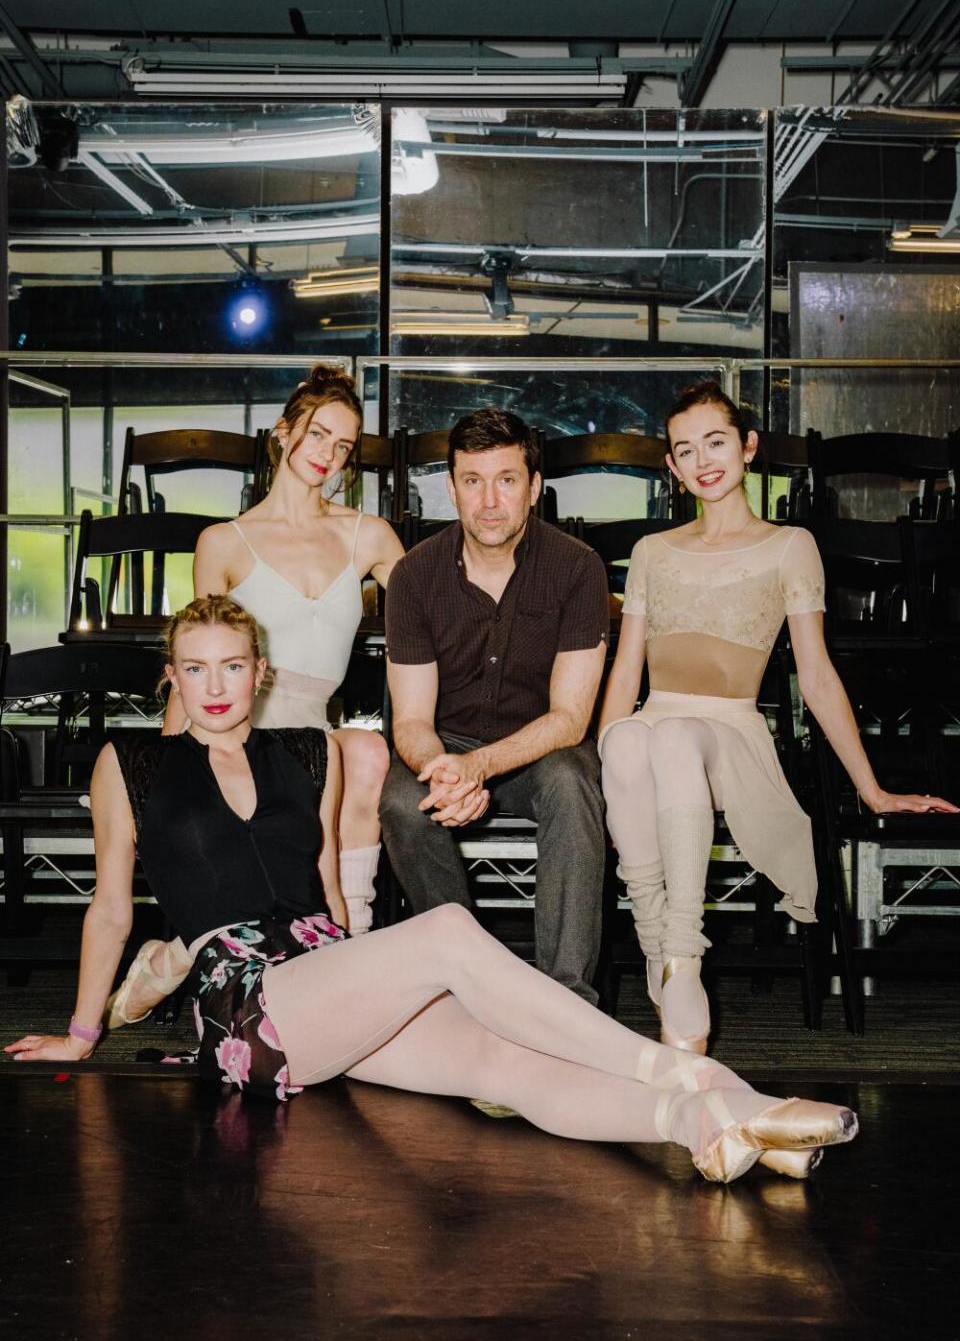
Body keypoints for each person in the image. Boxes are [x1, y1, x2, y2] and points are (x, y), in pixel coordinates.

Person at [6, 595, 859, 1186]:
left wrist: (357, 963)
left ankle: (714, 1124)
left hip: (322, 980)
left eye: (232, 667)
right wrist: (82, 1035)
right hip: (242, 1003)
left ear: (259, 671)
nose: (217, 687)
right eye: (197, 670)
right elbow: (111, 906)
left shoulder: (310, 752)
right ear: (172, 678)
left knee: (503, 1064)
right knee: (447, 929)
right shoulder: (133, 763)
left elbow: (329, 897)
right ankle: (688, 1071)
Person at [598, 379, 958, 1054]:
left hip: (728, 730)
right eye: (685, 449)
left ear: (748, 447)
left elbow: (818, 676)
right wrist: (601, 769)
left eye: (717, 441)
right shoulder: (652, 551)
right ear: (671, 468)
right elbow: (624, 672)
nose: (704, 460)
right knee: (623, 742)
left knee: (669, 735)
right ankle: (661, 948)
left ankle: (683, 949)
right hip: (654, 725)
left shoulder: (790, 544)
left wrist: (872, 787)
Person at [107, 366, 404, 1028]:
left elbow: (438, 607)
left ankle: (346, 959)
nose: (329, 454)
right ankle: (171, 960)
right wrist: (163, 771)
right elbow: (195, 658)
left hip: (313, 734)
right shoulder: (224, 542)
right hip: (236, 732)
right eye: (318, 434)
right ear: (282, 433)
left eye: (345, 445)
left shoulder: (369, 535)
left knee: (363, 750)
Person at [378, 408, 609, 1005]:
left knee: (572, 782)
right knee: (404, 800)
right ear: (451, 486)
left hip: (540, 750)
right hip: (449, 746)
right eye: (472, 481)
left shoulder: (578, 569)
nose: (488, 500)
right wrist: (447, 770)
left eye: (506, 480)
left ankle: (566, 999)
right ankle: (470, 985)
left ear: (534, 488)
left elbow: (570, 719)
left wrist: (482, 767)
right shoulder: (412, 576)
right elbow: (410, 720)